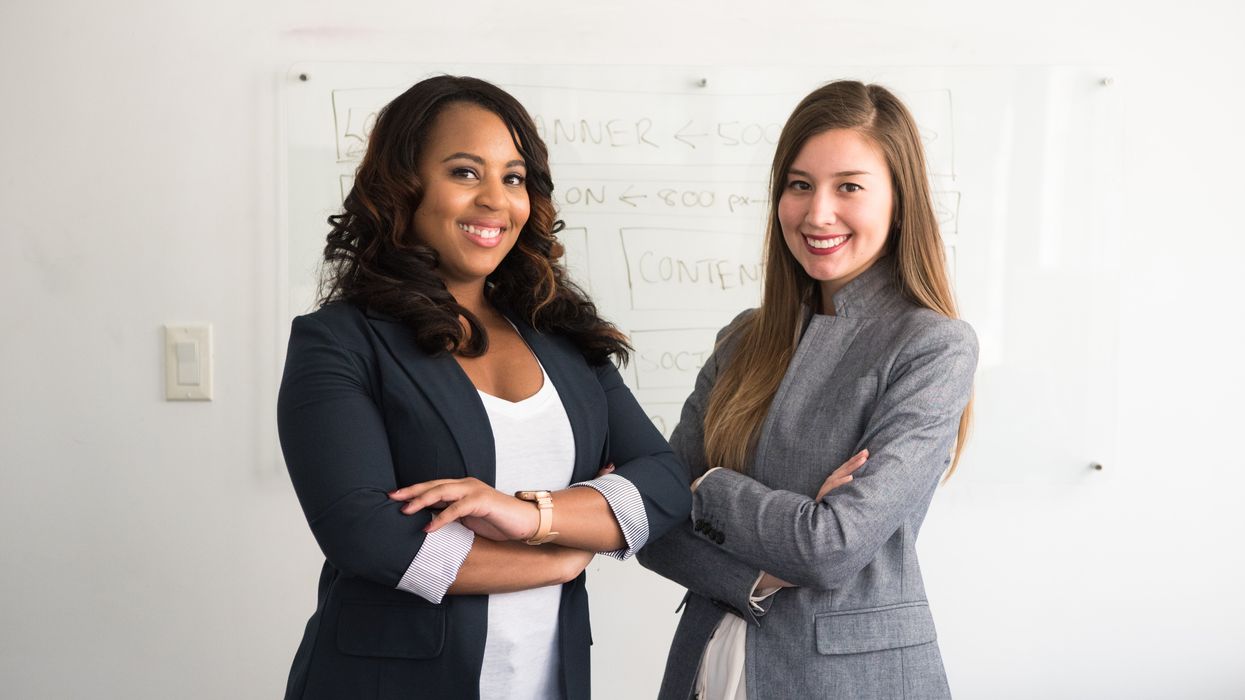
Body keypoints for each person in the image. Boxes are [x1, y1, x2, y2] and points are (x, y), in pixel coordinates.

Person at [277, 75, 690, 700]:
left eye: (514, 177)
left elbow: (663, 481)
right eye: (465, 172)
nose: (495, 200)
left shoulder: (563, 339)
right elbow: (369, 536)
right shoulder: (340, 342)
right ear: (405, 186)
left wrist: (530, 517)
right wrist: (562, 554)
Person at [636, 80, 978, 699]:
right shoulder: (743, 338)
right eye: (799, 185)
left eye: (849, 186)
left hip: (849, 679)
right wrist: (761, 575)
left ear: (899, 201)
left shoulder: (933, 346)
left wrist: (706, 487)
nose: (818, 212)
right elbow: (654, 526)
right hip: (707, 665)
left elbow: (830, 546)